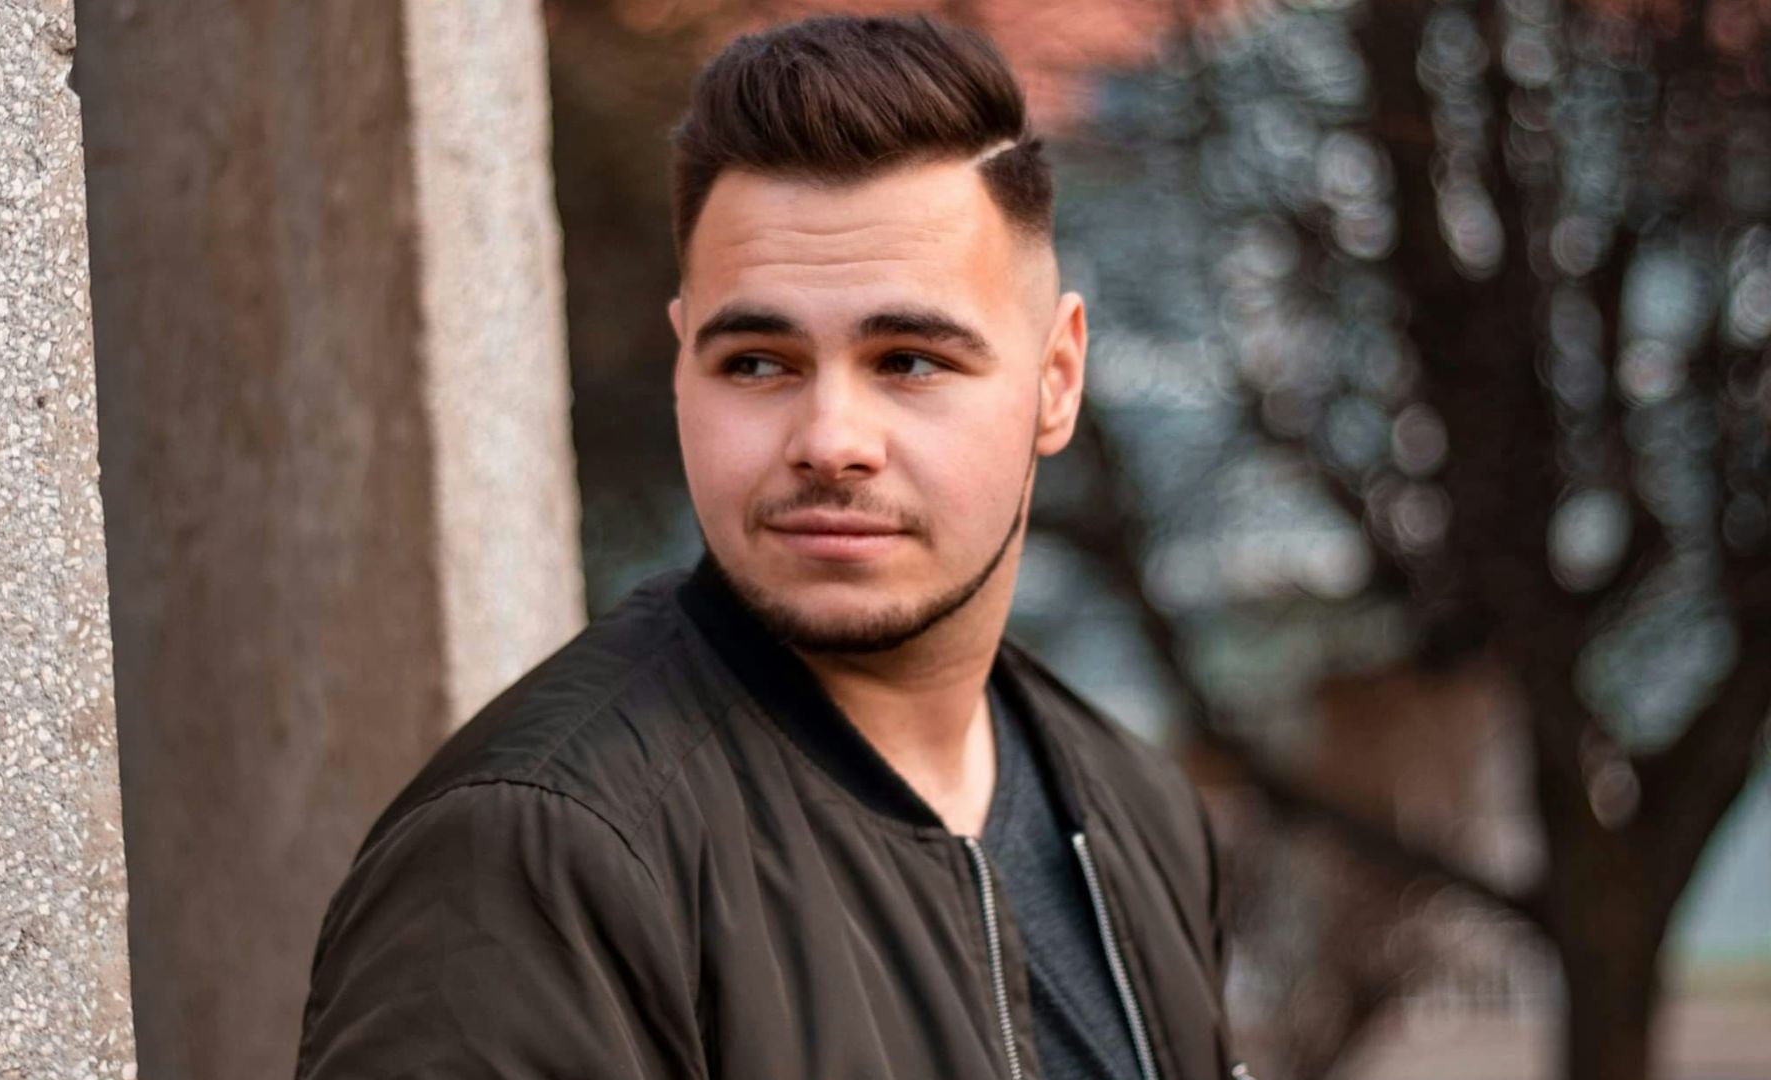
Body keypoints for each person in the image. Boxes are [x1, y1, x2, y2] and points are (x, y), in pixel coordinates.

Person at [296, 13, 1245, 1080]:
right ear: (681, 371)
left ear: (1055, 380)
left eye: (911, 360)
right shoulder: (538, 863)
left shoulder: (1137, 813)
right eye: (756, 362)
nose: (831, 442)